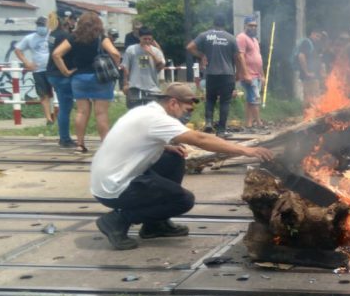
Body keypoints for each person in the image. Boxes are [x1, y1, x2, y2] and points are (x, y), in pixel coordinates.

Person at [90, 82, 275, 250]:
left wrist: (166, 146)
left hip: (110, 176)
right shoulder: (157, 120)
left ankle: (155, 225)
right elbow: (200, 139)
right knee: (183, 200)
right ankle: (117, 220)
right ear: (173, 103)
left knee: (173, 157)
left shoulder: (144, 112)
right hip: (114, 186)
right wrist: (245, 150)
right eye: (187, 110)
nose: (188, 114)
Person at [51, 11, 121, 153]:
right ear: (98, 24)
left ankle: (80, 144)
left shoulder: (73, 37)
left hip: (79, 78)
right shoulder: (101, 37)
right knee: (101, 113)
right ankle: (105, 146)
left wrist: (65, 71)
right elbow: (115, 53)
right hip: (100, 78)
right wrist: (115, 65)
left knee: (82, 112)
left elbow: (56, 54)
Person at [187, 15, 242, 136]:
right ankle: (221, 131)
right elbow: (238, 57)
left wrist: (201, 55)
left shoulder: (205, 35)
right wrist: (239, 73)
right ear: (225, 25)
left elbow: (190, 47)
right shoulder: (231, 38)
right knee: (224, 102)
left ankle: (208, 123)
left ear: (213, 24)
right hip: (227, 74)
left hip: (211, 73)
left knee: (210, 99)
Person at [13, 16, 56, 125]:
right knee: (43, 95)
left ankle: (56, 116)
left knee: (56, 94)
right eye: (39, 25)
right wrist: (26, 62)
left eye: (43, 25)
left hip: (53, 69)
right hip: (38, 70)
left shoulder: (53, 35)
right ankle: (48, 119)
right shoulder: (29, 38)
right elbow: (18, 50)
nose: (41, 27)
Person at [46, 15, 76, 148]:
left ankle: (64, 137)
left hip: (51, 73)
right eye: (73, 20)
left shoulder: (52, 34)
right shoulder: (64, 36)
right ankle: (64, 138)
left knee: (64, 107)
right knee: (65, 108)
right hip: (61, 74)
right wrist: (67, 72)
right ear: (67, 21)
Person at [121, 27, 165, 109]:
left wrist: (152, 54)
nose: (147, 41)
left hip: (152, 89)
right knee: (134, 114)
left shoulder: (156, 51)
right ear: (139, 38)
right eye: (145, 39)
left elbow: (161, 67)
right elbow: (125, 68)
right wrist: (125, 84)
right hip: (135, 88)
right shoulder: (131, 50)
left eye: (149, 39)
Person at [237, 16, 264, 130]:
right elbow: (240, 56)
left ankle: (248, 124)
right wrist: (246, 73)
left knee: (250, 100)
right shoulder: (241, 37)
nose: (253, 28)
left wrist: (262, 75)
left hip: (257, 75)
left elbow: (258, 58)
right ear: (245, 26)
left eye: (255, 26)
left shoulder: (254, 39)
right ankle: (259, 123)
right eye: (251, 25)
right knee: (255, 99)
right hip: (249, 75)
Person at [293, 29, 324, 105]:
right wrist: (307, 72)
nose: (318, 38)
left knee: (313, 98)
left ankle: (310, 115)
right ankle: (310, 115)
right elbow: (301, 56)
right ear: (312, 34)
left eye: (319, 37)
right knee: (311, 99)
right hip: (309, 76)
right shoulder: (306, 43)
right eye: (317, 36)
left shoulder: (314, 44)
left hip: (314, 76)